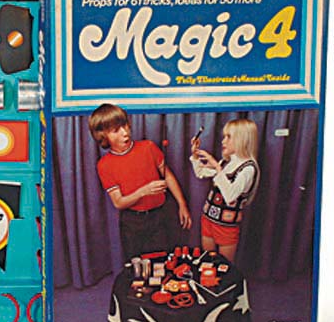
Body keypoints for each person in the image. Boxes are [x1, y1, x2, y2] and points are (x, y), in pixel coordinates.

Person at [88, 103, 192, 261]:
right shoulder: (104, 165)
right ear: (103, 136)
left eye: (125, 126)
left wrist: (182, 205)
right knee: (137, 267)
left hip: (160, 216)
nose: (125, 133)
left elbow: (168, 176)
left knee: (163, 263)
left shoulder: (148, 147)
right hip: (132, 222)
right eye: (116, 130)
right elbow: (119, 203)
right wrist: (144, 191)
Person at [190, 118, 260, 262]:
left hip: (226, 226)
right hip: (208, 219)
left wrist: (216, 166)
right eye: (224, 136)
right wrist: (195, 155)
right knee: (207, 262)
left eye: (229, 137)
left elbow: (230, 197)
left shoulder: (248, 168)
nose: (223, 141)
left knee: (224, 267)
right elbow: (200, 172)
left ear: (242, 139)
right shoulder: (227, 162)